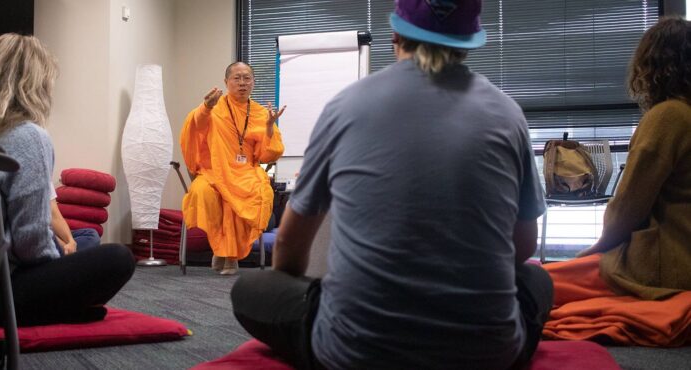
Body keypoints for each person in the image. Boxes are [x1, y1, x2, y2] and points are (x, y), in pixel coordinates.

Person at [230, 1, 553, 369]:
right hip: (489, 354)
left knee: (250, 289)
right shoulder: (508, 113)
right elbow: (523, 245)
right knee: (537, 279)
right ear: (468, 41)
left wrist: (312, 294)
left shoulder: (345, 105)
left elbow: (289, 243)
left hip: (354, 353)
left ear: (396, 34)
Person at [0, 33, 135, 326]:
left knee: (80, 241)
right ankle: (53, 310)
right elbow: (30, 240)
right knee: (118, 258)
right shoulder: (28, 136)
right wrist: (59, 269)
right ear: (36, 85)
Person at [567, 17, 691, 300]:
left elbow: (628, 208)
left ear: (651, 66)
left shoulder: (668, 117)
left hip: (671, 267)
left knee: (545, 284)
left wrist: (595, 249)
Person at [180, 62, 285, 275]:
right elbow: (195, 128)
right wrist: (206, 107)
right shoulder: (214, 108)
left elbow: (267, 155)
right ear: (226, 81)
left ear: (253, 82)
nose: (242, 83)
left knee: (252, 193)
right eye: (236, 78)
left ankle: (229, 256)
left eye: (247, 78)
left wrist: (268, 129)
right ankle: (222, 248)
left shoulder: (260, 113)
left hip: (245, 170)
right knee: (202, 192)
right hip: (213, 171)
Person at [49, 181, 101, 256]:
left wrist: (71, 242)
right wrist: (64, 247)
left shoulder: (45, 179)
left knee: (92, 236)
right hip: (41, 237)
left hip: (52, 235)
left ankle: (62, 256)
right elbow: (40, 230)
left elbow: (54, 214)